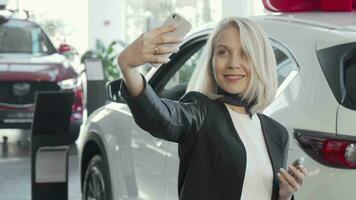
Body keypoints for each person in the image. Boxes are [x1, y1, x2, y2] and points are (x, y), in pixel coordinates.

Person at [117, 16, 307, 200]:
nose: (233, 63)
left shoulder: (277, 133)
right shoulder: (201, 111)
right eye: (223, 52)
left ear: (260, 62)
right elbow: (160, 117)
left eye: (245, 53)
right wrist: (128, 67)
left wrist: (284, 195)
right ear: (211, 62)